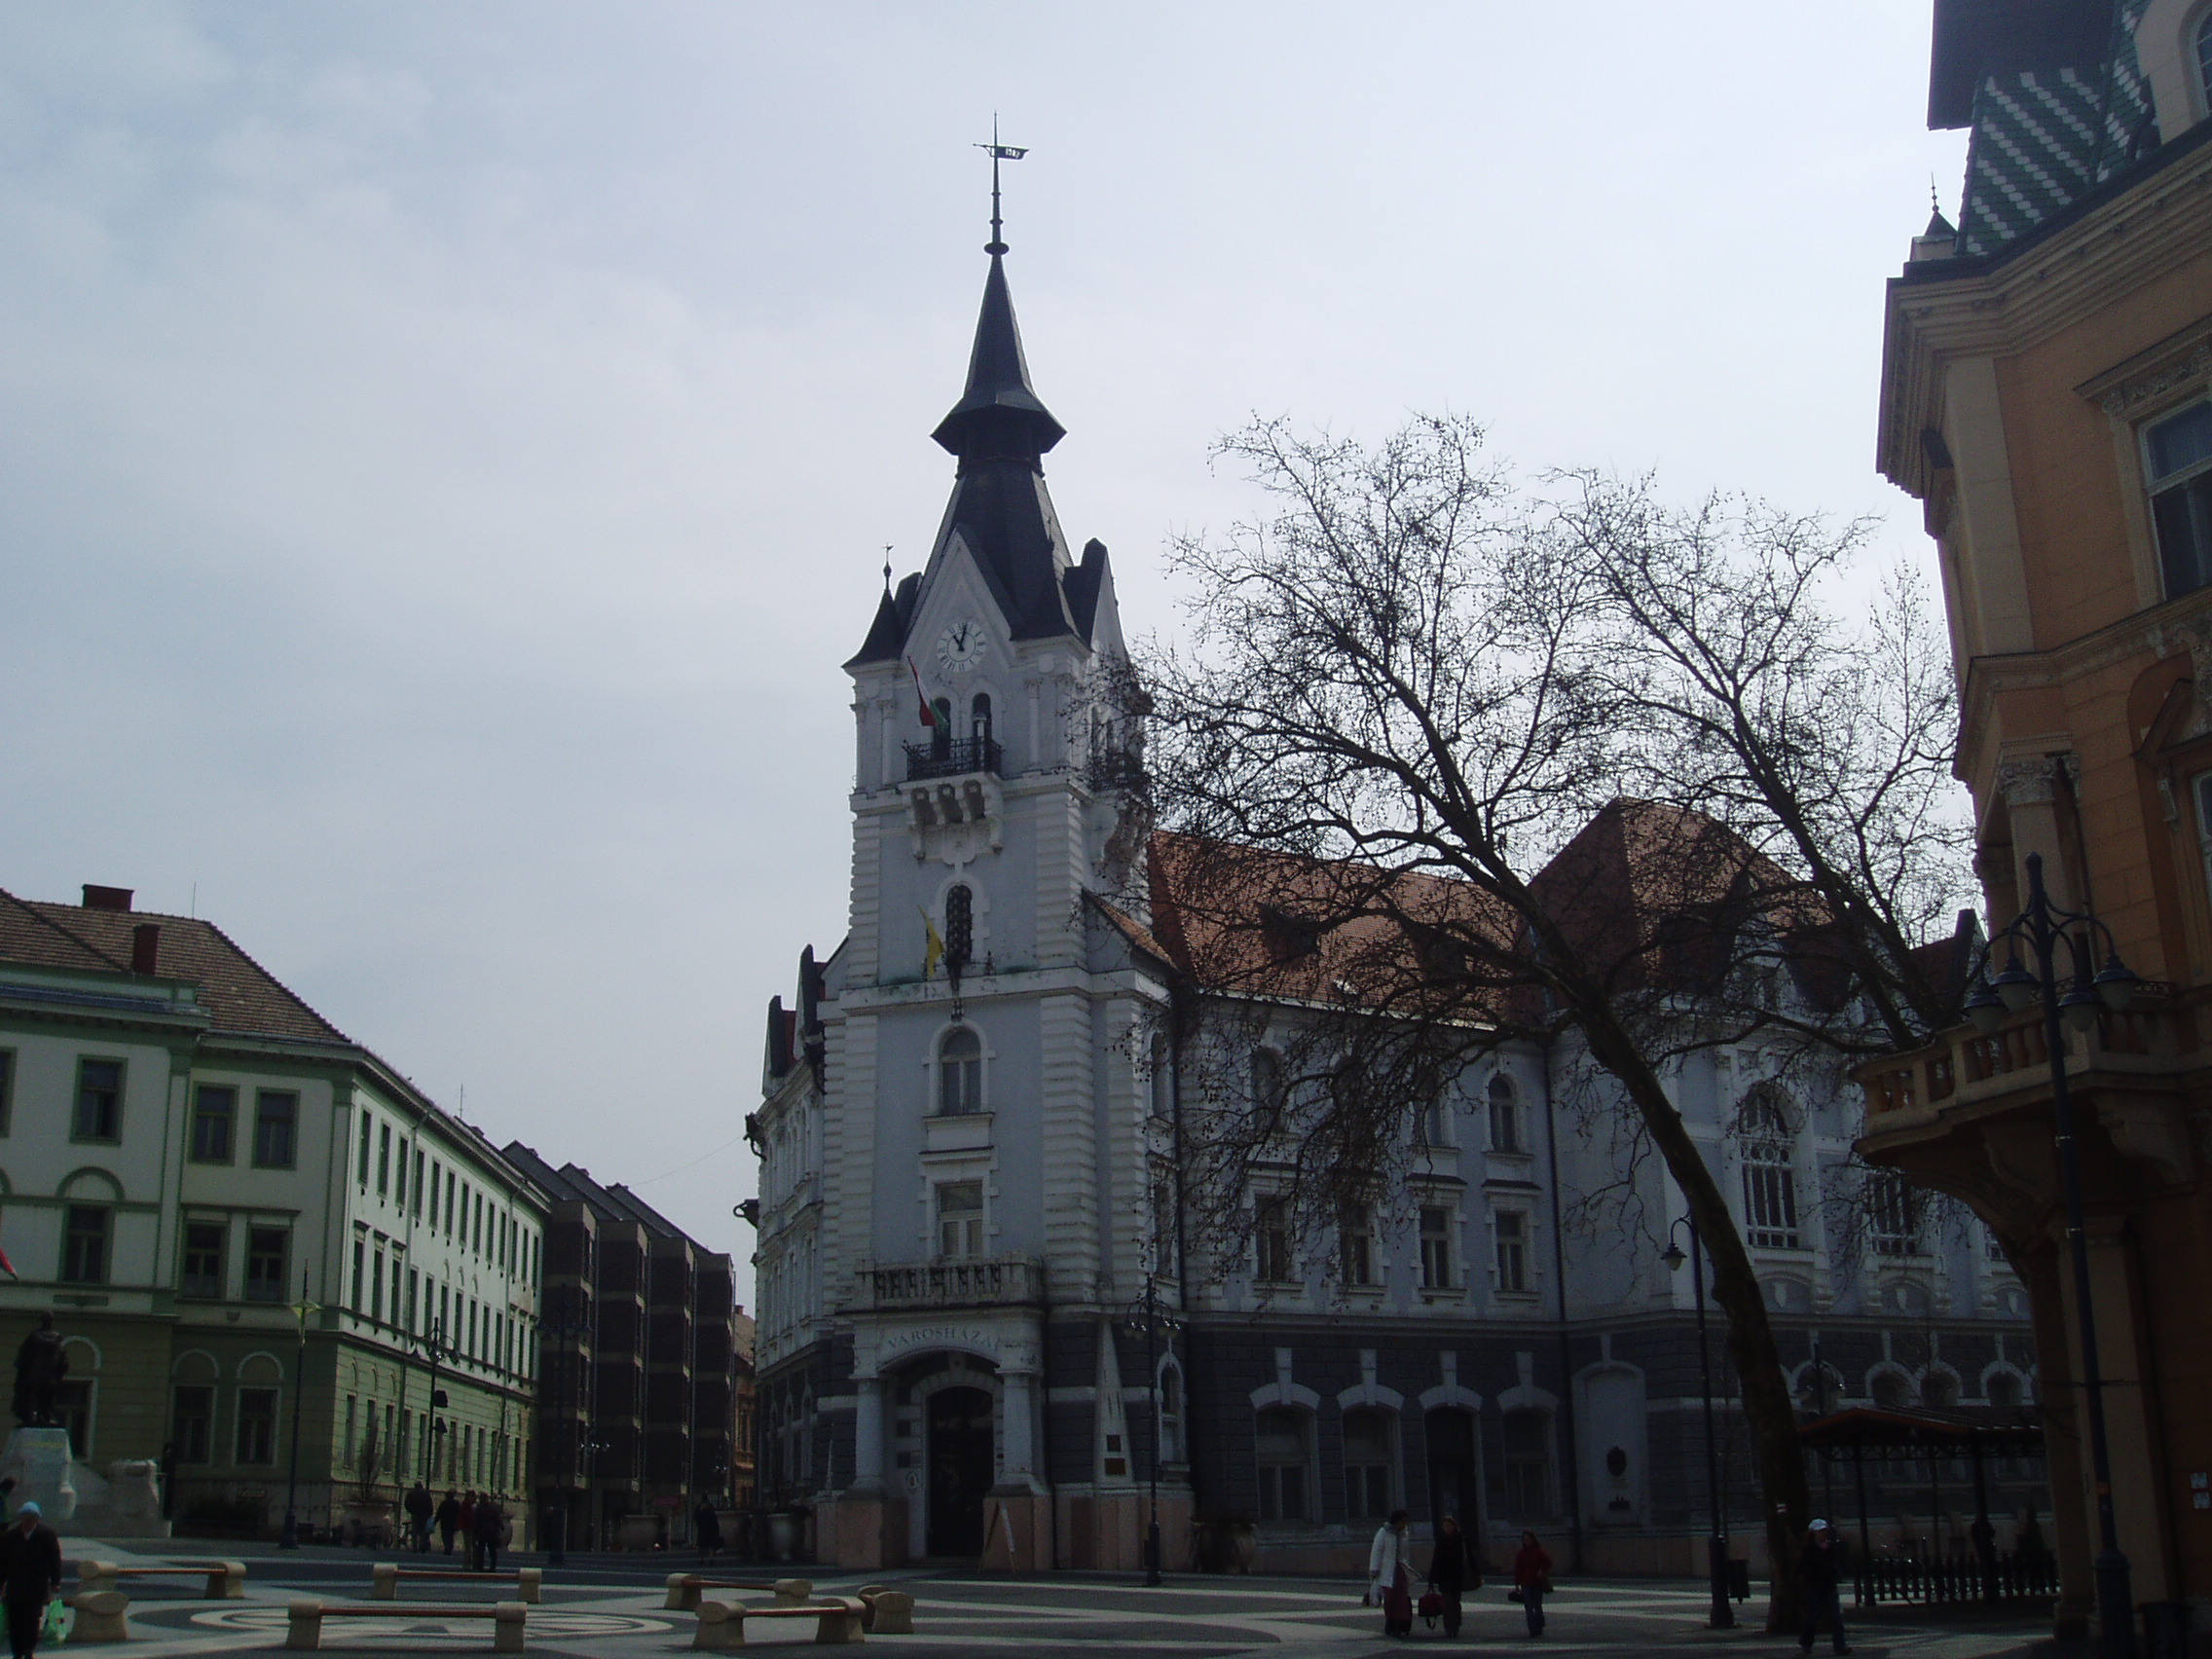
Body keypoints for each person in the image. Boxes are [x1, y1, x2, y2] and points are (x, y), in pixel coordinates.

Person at [0, 1501, 61, 1659]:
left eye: (31, 1518)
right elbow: (3, 1562)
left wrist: (55, 1581)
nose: (27, 1522)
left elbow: (54, 1559)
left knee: (32, 1620)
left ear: (37, 1519)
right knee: (15, 1621)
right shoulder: (11, 1536)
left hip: (36, 1586)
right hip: (15, 1586)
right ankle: (17, 1652)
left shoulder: (46, 1535)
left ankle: (29, 1649)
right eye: (25, 1518)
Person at [1798, 1519, 1852, 1655]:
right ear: (1814, 1533)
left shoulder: (1830, 1547)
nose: (1823, 1533)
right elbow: (1803, 1567)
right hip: (1815, 1586)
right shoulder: (1809, 1549)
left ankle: (1840, 1647)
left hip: (1829, 1586)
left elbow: (1835, 1563)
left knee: (1836, 1617)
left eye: (1824, 1530)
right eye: (1821, 1531)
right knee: (1813, 1616)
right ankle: (1806, 1643)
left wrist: (1835, 1573)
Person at [1425, 1513, 1477, 1639]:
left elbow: (1470, 1558)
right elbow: (1436, 1560)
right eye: (1445, 1526)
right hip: (1445, 1577)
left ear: (1454, 1526)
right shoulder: (1441, 1541)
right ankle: (1449, 1628)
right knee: (1447, 1604)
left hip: (1457, 1576)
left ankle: (1456, 1624)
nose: (1447, 1528)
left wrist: (1476, 1573)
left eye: (1449, 1526)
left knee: (1455, 1602)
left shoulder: (1461, 1540)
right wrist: (1431, 1579)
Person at [1367, 1508, 1415, 1639]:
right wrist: (1374, 1569)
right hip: (1387, 1570)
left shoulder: (1404, 1534)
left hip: (1400, 1569)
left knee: (1401, 1598)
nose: (1404, 1524)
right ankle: (1390, 1622)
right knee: (1390, 1598)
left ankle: (1399, 1625)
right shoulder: (1383, 1533)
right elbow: (1376, 1551)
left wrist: (1408, 1568)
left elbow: (1406, 1553)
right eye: (1403, 1521)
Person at [1514, 1530, 1553, 1638]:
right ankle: (1532, 1629)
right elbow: (1518, 1568)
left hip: (1537, 1583)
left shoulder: (1538, 1551)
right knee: (1529, 1607)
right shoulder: (1521, 1553)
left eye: (1528, 1539)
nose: (1527, 1541)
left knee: (1538, 1606)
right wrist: (1517, 1583)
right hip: (1526, 1583)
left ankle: (1539, 1625)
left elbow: (1548, 1562)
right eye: (1525, 1539)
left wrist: (1542, 1570)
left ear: (1533, 1539)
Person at [473, 1494, 505, 1574]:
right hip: (492, 1532)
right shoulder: (492, 1508)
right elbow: (497, 1519)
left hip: (482, 1532)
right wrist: (501, 1526)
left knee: (481, 1550)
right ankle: (492, 1567)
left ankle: (480, 1566)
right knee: (492, 1550)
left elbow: (476, 1521)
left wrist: (475, 1533)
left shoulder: (479, 1508)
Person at [404, 1482, 434, 1554]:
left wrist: (411, 1511)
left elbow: (407, 1504)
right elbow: (430, 1504)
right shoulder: (426, 1493)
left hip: (415, 1514)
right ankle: (422, 1546)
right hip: (424, 1514)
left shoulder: (411, 1493)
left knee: (415, 1530)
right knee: (423, 1531)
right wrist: (430, 1513)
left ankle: (414, 1546)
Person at [695, 1497, 724, 1566]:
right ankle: (711, 1558)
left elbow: (697, 1521)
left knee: (702, 1546)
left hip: (702, 1532)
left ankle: (702, 1559)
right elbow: (715, 1524)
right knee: (711, 1546)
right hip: (711, 1532)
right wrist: (717, 1532)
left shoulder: (701, 1514)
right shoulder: (712, 1514)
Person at [437, 1489, 461, 1556]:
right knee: (450, 1536)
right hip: (453, 1523)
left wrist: (436, 1520)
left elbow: (439, 1512)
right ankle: (449, 1547)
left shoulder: (444, 1503)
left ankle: (447, 1547)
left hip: (445, 1522)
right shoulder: (456, 1503)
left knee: (445, 1536)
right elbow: (460, 1513)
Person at [459, 1492, 479, 1568]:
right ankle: (468, 1562)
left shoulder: (468, 1504)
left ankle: (470, 1561)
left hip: (469, 1527)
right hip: (468, 1527)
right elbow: (467, 1516)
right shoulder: (467, 1505)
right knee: (468, 1545)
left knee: (469, 1545)